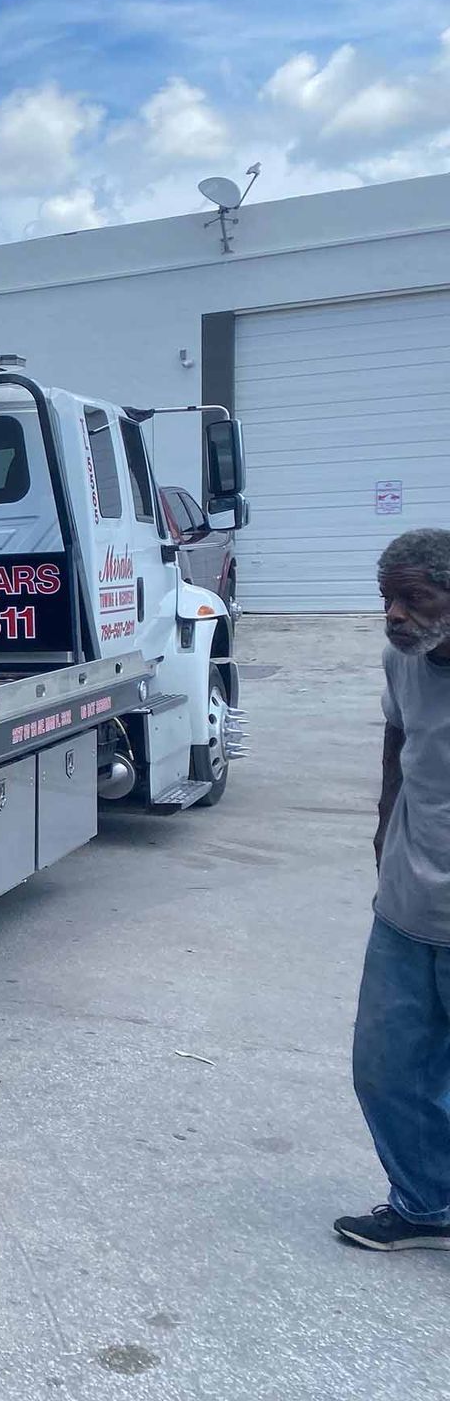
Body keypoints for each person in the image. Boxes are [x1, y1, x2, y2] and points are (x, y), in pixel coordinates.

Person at [335, 527, 450, 1251]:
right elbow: (396, 737)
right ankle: (424, 1203)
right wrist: (384, 829)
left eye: (414, 599)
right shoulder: (400, 661)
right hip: (409, 905)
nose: (396, 616)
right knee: (384, 1067)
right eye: (387, 600)